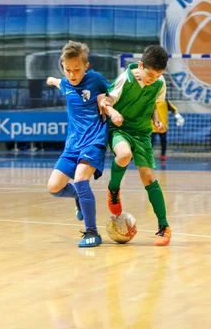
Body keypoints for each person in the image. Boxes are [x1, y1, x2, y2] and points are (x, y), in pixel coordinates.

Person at [99, 45, 172, 246]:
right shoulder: (124, 79)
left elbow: (152, 105)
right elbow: (105, 102)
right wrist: (113, 114)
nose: (153, 78)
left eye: (158, 75)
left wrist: (156, 120)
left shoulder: (159, 83)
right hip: (120, 129)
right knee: (123, 155)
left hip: (142, 133)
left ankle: (163, 226)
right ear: (140, 66)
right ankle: (113, 190)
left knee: (148, 177)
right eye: (150, 74)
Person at [46, 40, 109, 248]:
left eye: (77, 70)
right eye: (67, 70)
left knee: (81, 179)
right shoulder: (65, 83)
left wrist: (106, 100)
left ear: (86, 66)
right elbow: (60, 83)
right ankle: (78, 197)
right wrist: (53, 80)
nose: (72, 75)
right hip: (72, 146)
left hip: (94, 141)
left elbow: (115, 92)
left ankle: (92, 232)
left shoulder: (96, 80)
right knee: (54, 187)